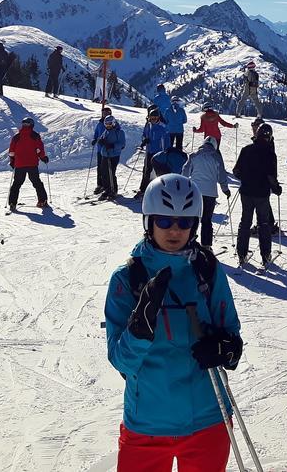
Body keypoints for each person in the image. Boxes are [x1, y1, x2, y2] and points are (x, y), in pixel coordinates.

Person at [104, 174, 243, 472]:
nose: (174, 230)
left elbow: (230, 329)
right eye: (164, 221)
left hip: (208, 418)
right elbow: (120, 361)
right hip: (147, 424)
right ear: (149, 221)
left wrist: (227, 348)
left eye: (184, 222)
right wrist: (139, 329)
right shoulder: (127, 279)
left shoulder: (206, 270)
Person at [232, 122, 280, 267]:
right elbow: (272, 176)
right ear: (270, 137)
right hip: (262, 194)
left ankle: (241, 254)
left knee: (245, 222)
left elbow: (236, 171)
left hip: (246, 192)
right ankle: (265, 256)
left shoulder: (246, 150)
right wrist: (276, 188)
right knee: (263, 224)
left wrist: (246, 179)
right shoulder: (270, 154)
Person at [184, 136, 233, 250]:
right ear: (215, 146)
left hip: (194, 191)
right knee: (206, 220)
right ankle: (206, 245)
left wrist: (183, 185)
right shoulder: (216, 157)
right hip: (210, 194)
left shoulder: (194, 155)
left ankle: (189, 242)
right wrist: (225, 189)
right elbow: (222, 175)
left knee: (193, 217)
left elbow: (185, 171)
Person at [7, 117, 49, 211]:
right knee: (37, 182)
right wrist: (43, 158)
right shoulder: (35, 136)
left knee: (17, 184)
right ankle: (42, 201)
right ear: (32, 125)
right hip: (32, 164)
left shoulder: (17, 137)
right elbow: (39, 149)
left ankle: (12, 203)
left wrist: (12, 161)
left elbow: (11, 151)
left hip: (19, 164)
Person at [137, 107, 170, 198]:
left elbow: (166, 141)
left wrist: (166, 151)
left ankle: (162, 190)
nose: (153, 120)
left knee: (159, 172)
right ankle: (143, 189)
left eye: (155, 118)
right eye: (151, 118)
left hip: (159, 153)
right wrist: (144, 141)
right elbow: (144, 135)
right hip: (149, 151)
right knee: (146, 170)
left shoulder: (162, 127)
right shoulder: (148, 125)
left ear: (158, 118)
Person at [94, 114, 127, 200]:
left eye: (109, 124)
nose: (108, 126)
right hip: (105, 154)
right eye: (106, 124)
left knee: (111, 173)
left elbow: (122, 144)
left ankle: (113, 190)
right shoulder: (106, 131)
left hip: (114, 155)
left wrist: (112, 146)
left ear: (113, 123)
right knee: (104, 173)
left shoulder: (119, 132)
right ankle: (107, 190)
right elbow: (102, 138)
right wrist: (100, 141)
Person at [154, 86, 188, 151]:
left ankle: (165, 154)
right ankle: (179, 158)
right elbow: (185, 120)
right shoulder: (181, 110)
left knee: (169, 145)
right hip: (179, 130)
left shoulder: (167, 110)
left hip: (168, 128)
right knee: (179, 146)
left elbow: (166, 120)